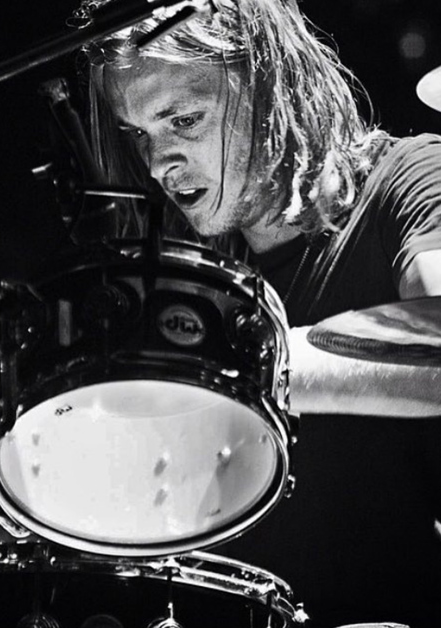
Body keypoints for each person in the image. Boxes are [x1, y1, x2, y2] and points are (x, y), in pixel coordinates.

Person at [72, 0, 441, 626]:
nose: (159, 162)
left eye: (184, 119)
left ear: (270, 85)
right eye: (138, 134)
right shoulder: (199, 276)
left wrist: (240, 365)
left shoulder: (411, 178)